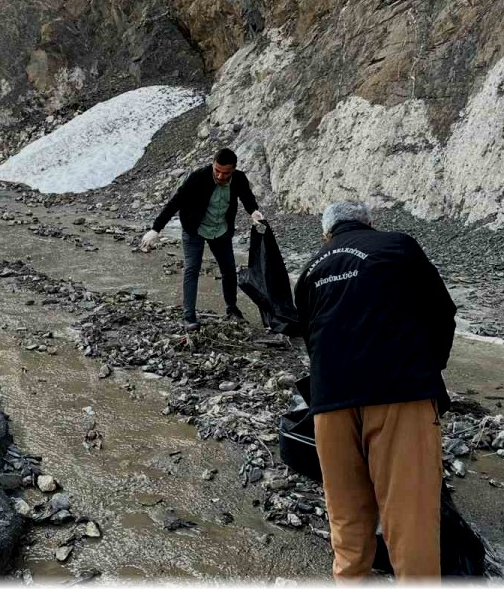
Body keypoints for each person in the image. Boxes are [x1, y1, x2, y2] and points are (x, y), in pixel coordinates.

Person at [292, 201, 456, 581]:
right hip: (399, 393)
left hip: (329, 402)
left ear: (326, 235)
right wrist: (430, 369)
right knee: (409, 517)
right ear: (371, 223)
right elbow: (442, 312)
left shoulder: (310, 270)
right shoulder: (397, 245)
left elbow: (311, 340)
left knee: (347, 515)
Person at [140, 147, 264, 330]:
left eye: (226, 173)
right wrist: (156, 229)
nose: (221, 176)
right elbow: (176, 201)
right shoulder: (198, 177)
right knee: (192, 269)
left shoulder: (238, 178)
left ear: (234, 169)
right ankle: (189, 316)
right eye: (217, 171)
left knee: (229, 270)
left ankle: (232, 310)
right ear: (213, 165)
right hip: (195, 229)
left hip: (220, 229)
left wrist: (254, 211)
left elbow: (247, 197)